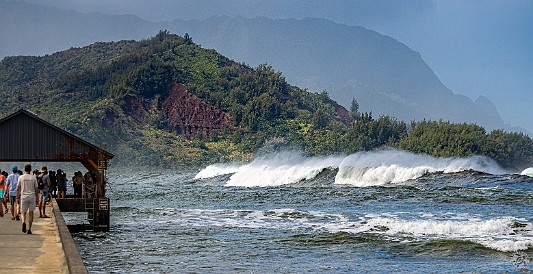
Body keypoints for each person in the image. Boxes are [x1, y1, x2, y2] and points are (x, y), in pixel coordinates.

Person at [16, 164, 39, 234]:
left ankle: (23, 222)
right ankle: (29, 229)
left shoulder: (21, 177)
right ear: (30, 170)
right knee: (31, 213)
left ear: (24, 169)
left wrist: (17, 197)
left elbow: (17, 188)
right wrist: (37, 198)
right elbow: (36, 189)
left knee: (23, 213)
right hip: (32, 196)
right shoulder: (33, 178)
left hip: (23, 197)